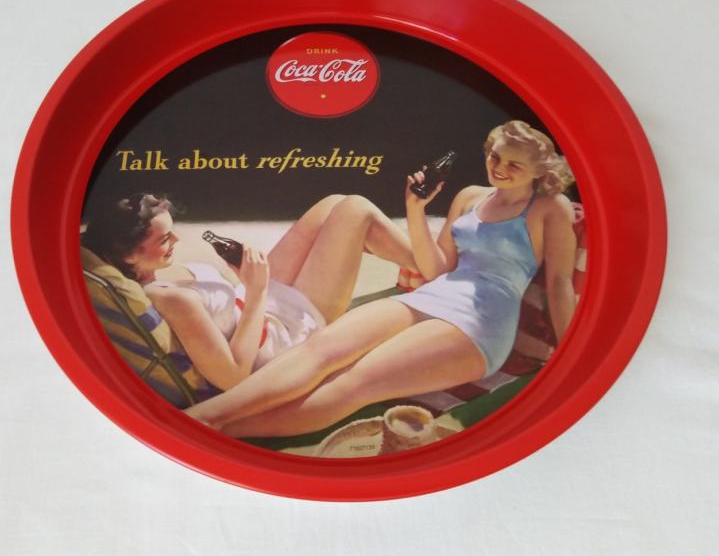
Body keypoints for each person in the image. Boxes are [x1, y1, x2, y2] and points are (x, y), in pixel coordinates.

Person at [186, 120, 578, 438]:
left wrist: (570, 352)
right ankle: (202, 417)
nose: (499, 168)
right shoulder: (470, 197)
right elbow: (437, 268)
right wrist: (416, 208)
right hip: (435, 294)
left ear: (538, 172)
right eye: (495, 156)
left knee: (353, 382)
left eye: (514, 165)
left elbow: (560, 284)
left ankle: (223, 431)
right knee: (321, 350)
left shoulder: (551, 208)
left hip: (482, 322)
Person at [82, 193, 418, 393]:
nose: (178, 241)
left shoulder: (159, 278)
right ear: (128, 255)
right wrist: (255, 291)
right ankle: (434, 268)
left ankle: (418, 266)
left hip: (262, 305)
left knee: (332, 205)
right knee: (354, 210)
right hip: (285, 334)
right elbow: (233, 378)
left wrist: (246, 282)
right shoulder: (172, 299)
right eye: (164, 239)